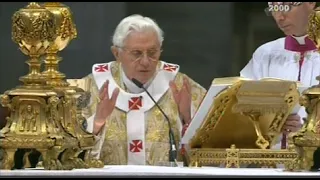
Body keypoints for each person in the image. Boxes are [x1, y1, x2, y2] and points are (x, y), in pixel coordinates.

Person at [80, 14, 207, 166]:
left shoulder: (180, 85)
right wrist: (97, 122)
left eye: (153, 52)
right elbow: (68, 151)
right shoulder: (91, 87)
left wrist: (187, 117)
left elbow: (210, 146)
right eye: (136, 53)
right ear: (116, 53)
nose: (146, 62)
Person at [240, 2, 320, 169]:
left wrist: (309, 130)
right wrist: (270, 122)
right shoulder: (266, 54)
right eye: (274, 9)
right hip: (272, 165)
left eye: (286, 7)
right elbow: (239, 106)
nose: (279, 17)